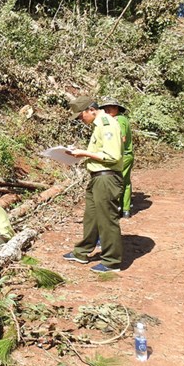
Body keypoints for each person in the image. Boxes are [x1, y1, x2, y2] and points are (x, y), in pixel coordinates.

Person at [63, 95, 124, 273]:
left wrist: (84, 153)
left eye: (81, 116)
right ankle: (81, 251)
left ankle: (111, 261)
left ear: (91, 109)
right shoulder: (98, 125)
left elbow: (113, 156)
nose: (81, 120)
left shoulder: (107, 125)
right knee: (92, 217)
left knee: (107, 219)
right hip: (97, 177)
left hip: (107, 177)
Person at [98, 97, 134, 218]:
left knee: (117, 182)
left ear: (117, 108)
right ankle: (125, 209)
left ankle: (115, 209)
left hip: (123, 155)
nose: (107, 110)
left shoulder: (119, 120)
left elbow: (122, 139)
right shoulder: (118, 119)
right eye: (105, 108)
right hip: (125, 155)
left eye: (110, 107)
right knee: (124, 182)